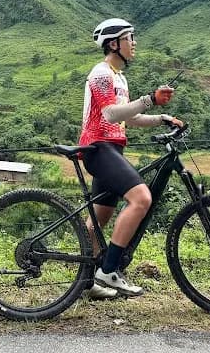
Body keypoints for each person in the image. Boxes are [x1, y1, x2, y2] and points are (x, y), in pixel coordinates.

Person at [80, 18, 183, 300]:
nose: (134, 43)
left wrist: (162, 117)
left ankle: (85, 282)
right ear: (114, 44)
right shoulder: (102, 73)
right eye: (130, 38)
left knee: (98, 219)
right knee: (142, 199)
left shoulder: (119, 77)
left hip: (111, 149)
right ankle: (108, 270)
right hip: (99, 148)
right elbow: (111, 114)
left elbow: (131, 117)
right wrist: (150, 97)